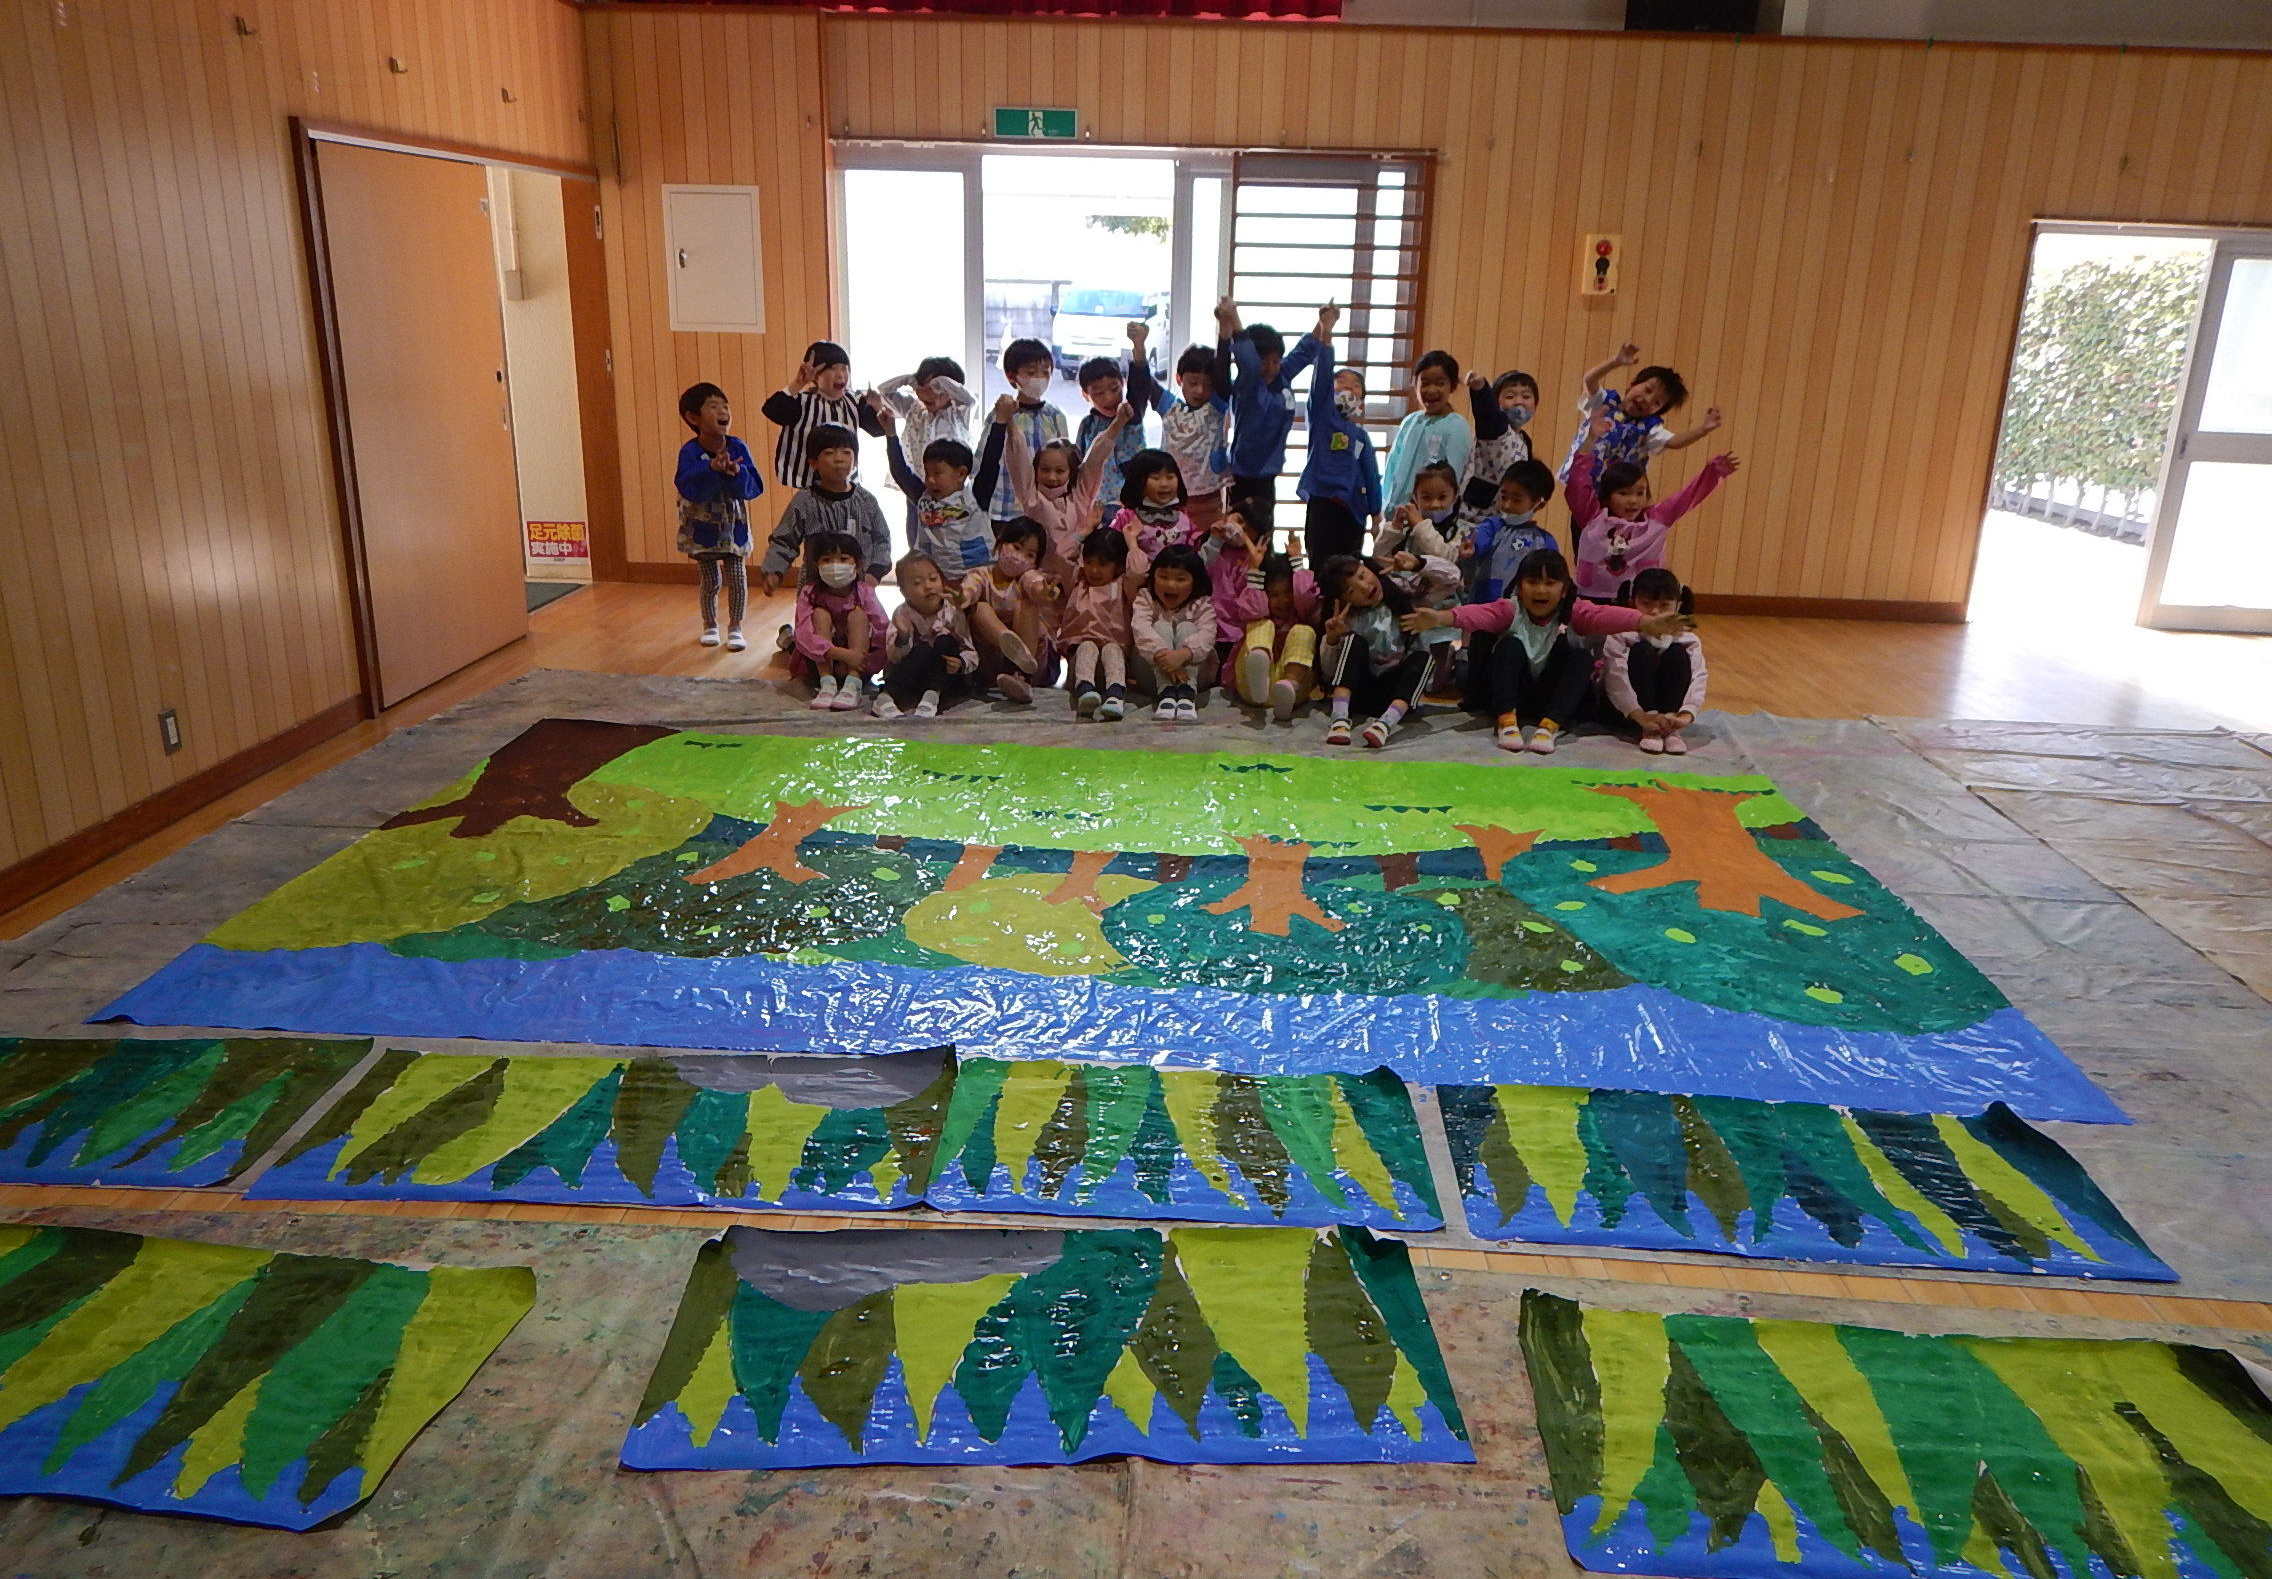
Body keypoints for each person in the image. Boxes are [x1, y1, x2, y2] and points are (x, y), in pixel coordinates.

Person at [1404, 548, 1686, 755]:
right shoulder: (1510, 609)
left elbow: (1606, 615)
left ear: (1564, 590)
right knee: (1509, 646)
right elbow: (1475, 614)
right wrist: (1439, 618)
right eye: (1533, 582)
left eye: (1550, 583)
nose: (1541, 590)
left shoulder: (1574, 611)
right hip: (1515, 694)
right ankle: (1507, 721)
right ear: (1520, 587)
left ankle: (1550, 726)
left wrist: (1646, 622)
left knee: (1580, 656)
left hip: (1550, 698)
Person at [1568, 404, 1739, 600]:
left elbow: (1689, 495)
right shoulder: (1592, 516)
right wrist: (1590, 438)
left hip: (1640, 600)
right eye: (1623, 493)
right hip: (1592, 596)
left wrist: (1714, 472)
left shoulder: (1657, 519)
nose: (1633, 501)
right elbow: (1577, 483)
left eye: (1640, 493)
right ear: (1607, 496)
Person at [1317, 553, 1454, 749]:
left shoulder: (1402, 595)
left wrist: (1419, 564)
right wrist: (1332, 640)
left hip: (1394, 695)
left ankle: (1385, 725)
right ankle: (1339, 719)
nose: (1365, 587)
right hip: (1358, 692)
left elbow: (1452, 580)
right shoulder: (1345, 620)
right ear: (1343, 600)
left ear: (1368, 567)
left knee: (1424, 658)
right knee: (1354, 641)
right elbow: (1329, 673)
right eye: (1352, 590)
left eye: (1362, 575)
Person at [1217, 296, 1325, 542]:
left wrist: (1323, 324)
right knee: (1238, 535)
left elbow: (1303, 352)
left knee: (1264, 534)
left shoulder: (1281, 377)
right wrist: (1233, 317)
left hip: (1268, 476)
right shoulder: (1248, 383)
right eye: (1263, 361)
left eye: (1275, 361)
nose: (1270, 367)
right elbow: (1248, 361)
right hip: (1243, 476)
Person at [673, 381, 763, 650]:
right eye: (713, 406)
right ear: (693, 418)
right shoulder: (690, 452)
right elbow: (688, 486)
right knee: (710, 580)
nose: (723, 411)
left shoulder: (738, 448)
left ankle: (735, 627)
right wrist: (710, 469)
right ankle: (709, 624)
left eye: (725, 406)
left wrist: (737, 473)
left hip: (733, 526)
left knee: (737, 577)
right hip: (703, 527)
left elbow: (754, 487)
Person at [1002, 394, 1128, 585]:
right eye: (1045, 470)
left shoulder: (1080, 495)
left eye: (1060, 471)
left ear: (1071, 471)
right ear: (1036, 470)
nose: (1052, 477)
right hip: (1038, 578)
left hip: (1079, 578)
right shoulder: (1032, 497)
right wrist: (1009, 422)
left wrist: (1118, 424)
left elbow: (1096, 458)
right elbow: (1017, 457)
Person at [874, 395, 1001, 582]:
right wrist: (890, 434)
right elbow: (900, 471)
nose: (930, 480)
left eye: (937, 473)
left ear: (961, 474)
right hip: (937, 579)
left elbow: (990, 462)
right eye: (927, 473)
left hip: (976, 579)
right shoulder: (923, 497)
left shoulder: (975, 496)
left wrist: (1000, 424)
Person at [758, 426, 892, 595]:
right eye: (829, 453)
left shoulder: (866, 501)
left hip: (859, 587)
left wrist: (876, 570)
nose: (839, 459)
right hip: (815, 588)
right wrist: (773, 571)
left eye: (846, 452)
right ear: (814, 462)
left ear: (856, 461)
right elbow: (784, 539)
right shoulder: (805, 501)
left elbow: (882, 539)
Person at [1297, 305, 1382, 565]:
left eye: (1355, 386)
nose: (1348, 388)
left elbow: (1371, 475)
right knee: (1320, 565)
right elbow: (1322, 375)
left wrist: (1376, 514)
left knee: (1349, 567)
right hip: (1322, 505)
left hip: (1353, 510)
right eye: (1341, 383)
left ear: (1361, 404)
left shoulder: (1361, 438)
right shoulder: (1322, 418)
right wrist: (1327, 331)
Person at [1130, 332, 1231, 535]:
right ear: (1179, 379)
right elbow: (1146, 382)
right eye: (1193, 383)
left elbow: (1223, 371)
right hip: (1169, 499)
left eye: (1208, 385)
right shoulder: (1169, 408)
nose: (1200, 390)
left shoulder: (1216, 407)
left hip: (1208, 500)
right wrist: (1139, 348)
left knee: (1207, 547)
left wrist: (1225, 332)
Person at [1567, 342, 1723, 473]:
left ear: (1659, 411)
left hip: (1616, 489)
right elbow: (1589, 380)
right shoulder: (1605, 403)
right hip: (1583, 477)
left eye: (1657, 403)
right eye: (1647, 390)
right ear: (1631, 384)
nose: (1647, 400)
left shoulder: (1648, 427)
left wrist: (1703, 430)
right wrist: (1614, 362)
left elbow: (1674, 442)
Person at [1600, 567, 1707, 755]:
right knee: (1642, 651)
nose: (1655, 611)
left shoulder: (1687, 640)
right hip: (1630, 712)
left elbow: (1698, 677)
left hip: (1670, 713)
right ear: (1632, 603)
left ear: (1678, 606)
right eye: (1646, 604)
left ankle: (1669, 725)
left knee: (1677, 654)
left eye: (1664, 605)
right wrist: (1640, 715)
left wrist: (1686, 713)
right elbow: (1616, 677)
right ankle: (1652, 728)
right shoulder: (1621, 635)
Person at [1217, 531, 1321, 722]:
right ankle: (1259, 663)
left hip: (1292, 693)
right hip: (1252, 690)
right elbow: (1254, 609)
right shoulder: (1259, 613)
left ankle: (1289, 684)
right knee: (1261, 624)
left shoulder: (1300, 611)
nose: (1284, 600)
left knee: (1304, 630)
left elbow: (1306, 595)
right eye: (1274, 595)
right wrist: (1255, 570)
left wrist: (1297, 561)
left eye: (1288, 592)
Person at [762, 341, 884, 490]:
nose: (841, 374)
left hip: (845, 484)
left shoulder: (854, 400)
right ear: (815, 375)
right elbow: (771, 410)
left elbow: (878, 430)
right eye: (833, 368)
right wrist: (798, 382)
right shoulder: (802, 401)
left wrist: (877, 407)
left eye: (844, 368)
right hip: (805, 484)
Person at [788, 533, 888, 710]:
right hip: (819, 663)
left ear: (857, 564)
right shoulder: (810, 592)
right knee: (820, 613)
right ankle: (827, 684)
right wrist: (842, 654)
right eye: (827, 560)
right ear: (816, 564)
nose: (835, 565)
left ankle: (853, 685)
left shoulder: (865, 592)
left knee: (858, 615)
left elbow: (883, 632)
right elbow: (803, 635)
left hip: (859, 664)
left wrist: (865, 660)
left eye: (843, 559)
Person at [874, 552, 979, 720]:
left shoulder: (952, 612)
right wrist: (903, 635)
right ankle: (885, 697)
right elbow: (894, 657)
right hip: (911, 677)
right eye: (917, 583)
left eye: (933, 579)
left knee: (945, 641)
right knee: (922, 649)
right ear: (904, 591)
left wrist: (961, 663)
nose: (928, 586)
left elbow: (970, 651)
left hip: (944, 680)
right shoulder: (902, 614)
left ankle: (932, 695)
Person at [1057, 526, 1148, 721]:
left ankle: (1115, 695)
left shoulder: (1123, 585)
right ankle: (1085, 692)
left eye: (1103, 564)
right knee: (1087, 646)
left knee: (1111, 649)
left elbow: (1138, 571)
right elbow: (1061, 555)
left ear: (1118, 565)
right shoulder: (1078, 582)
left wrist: (1131, 542)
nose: (1094, 570)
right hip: (1080, 664)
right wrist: (1085, 530)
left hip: (1116, 664)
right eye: (1089, 562)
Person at [959, 515, 1050, 704]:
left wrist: (1043, 591)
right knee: (980, 607)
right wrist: (965, 596)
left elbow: (1035, 584)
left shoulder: (1026, 578)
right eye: (1016, 547)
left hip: (1030, 666)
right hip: (989, 661)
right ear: (999, 543)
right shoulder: (981, 574)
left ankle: (1022, 674)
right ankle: (1006, 640)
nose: (1020, 557)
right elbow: (971, 587)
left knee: (1027, 604)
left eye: (1030, 555)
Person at [1131, 544, 1216, 721]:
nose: (1171, 584)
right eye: (1163, 576)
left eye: (1181, 579)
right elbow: (1140, 627)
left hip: (1195, 677)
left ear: (1195, 581)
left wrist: (1183, 654)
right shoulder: (1146, 597)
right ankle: (1166, 692)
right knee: (1161, 626)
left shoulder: (1201, 604)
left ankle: (1187, 694)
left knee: (1187, 628)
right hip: (1152, 678)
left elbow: (1208, 634)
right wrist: (1162, 654)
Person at [986, 337, 1069, 515]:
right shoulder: (1002, 413)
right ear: (1012, 376)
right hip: (1006, 504)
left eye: (1046, 372)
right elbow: (985, 457)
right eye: (1031, 372)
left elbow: (1066, 458)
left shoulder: (1055, 415)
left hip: (1046, 505)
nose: (1040, 378)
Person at [1381, 350, 1473, 511]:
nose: (1431, 390)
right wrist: (1384, 506)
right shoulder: (1410, 421)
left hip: (1431, 515)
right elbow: (1392, 466)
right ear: (1414, 383)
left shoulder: (1457, 426)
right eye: (1425, 383)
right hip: (1396, 513)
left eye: (1439, 383)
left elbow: (1455, 477)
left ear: (1452, 386)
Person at [1465, 460, 1560, 603]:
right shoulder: (1493, 526)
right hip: (1484, 606)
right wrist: (1472, 546)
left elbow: (1555, 576)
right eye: (1504, 497)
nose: (1507, 505)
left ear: (1539, 504)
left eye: (1516, 500)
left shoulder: (1546, 541)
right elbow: (1478, 538)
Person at [1075, 342, 1152, 517]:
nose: (1109, 398)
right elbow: (1078, 462)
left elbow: (1140, 387)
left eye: (1114, 389)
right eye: (1099, 393)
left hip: (1131, 503)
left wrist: (1139, 348)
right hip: (1095, 505)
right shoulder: (1087, 425)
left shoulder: (1130, 415)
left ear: (1123, 383)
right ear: (1085, 395)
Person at [1458, 370, 1539, 527]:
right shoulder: (1496, 431)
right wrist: (1481, 389)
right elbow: (1487, 414)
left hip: (1503, 521)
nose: (1519, 402)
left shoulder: (1524, 439)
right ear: (1495, 402)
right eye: (1510, 397)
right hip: (1473, 521)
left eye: (1526, 396)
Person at [872, 357, 975, 456]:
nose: (931, 395)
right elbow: (884, 391)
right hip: (914, 469)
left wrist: (941, 380)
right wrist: (908, 379)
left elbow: (970, 401)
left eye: (937, 388)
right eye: (925, 387)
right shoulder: (913, 408)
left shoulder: (959, 412)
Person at [1108, 450, 1198, 556]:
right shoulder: (1126, 516)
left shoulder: (1182, 513)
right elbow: (1109, 548)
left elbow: (1195, 547)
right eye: (1156, 478)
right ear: (1139, 482)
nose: (1164, 484)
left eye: (1170, 477)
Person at [1374, 461, 1463, 562]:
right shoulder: (1406, 527)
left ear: (1455, 496)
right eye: (1426, 497)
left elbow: (1448, 559)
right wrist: (1394, 530)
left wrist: (1420, 526)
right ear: (1415, 498)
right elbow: (1379, 560)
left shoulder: (1461, 532)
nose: (1435, 505)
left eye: (1442, 497)